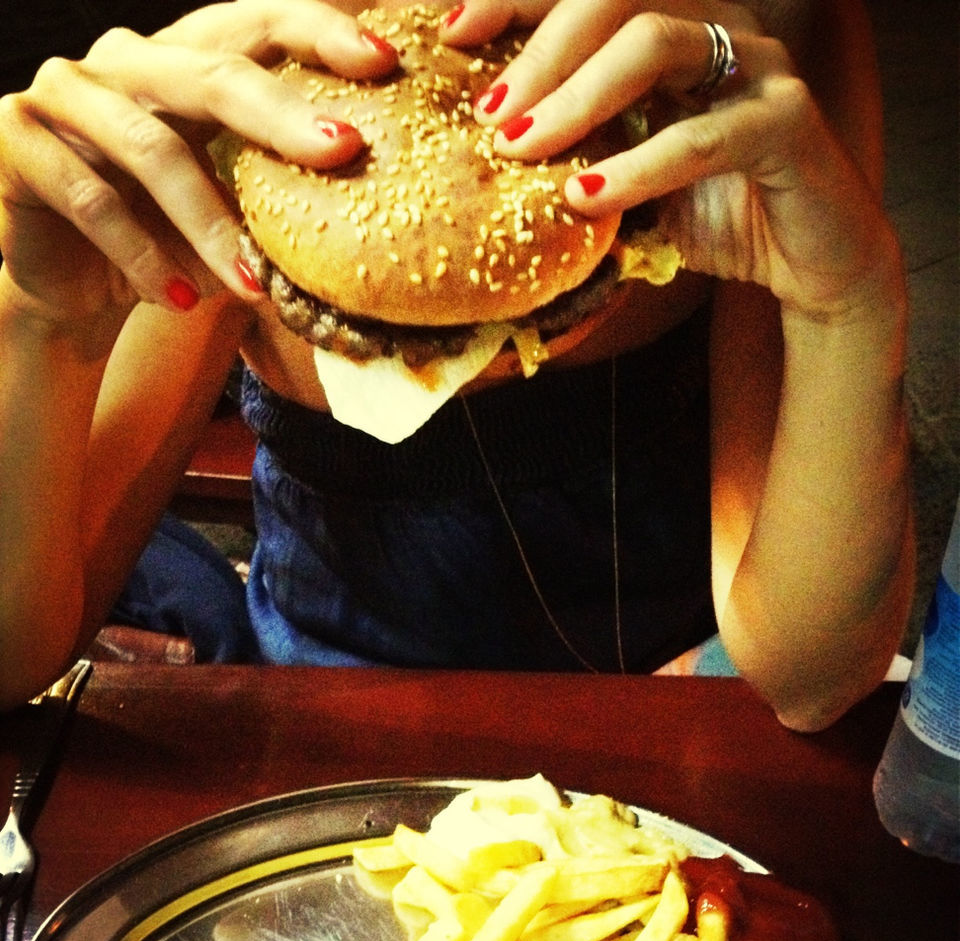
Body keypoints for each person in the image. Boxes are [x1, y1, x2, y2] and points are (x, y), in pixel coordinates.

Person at [0, 0, 913, 730]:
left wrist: (850, 305)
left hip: (667, 722)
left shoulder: (737, 47)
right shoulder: (236, 90)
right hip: (318, 732)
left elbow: (811, 681)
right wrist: (37, 315)